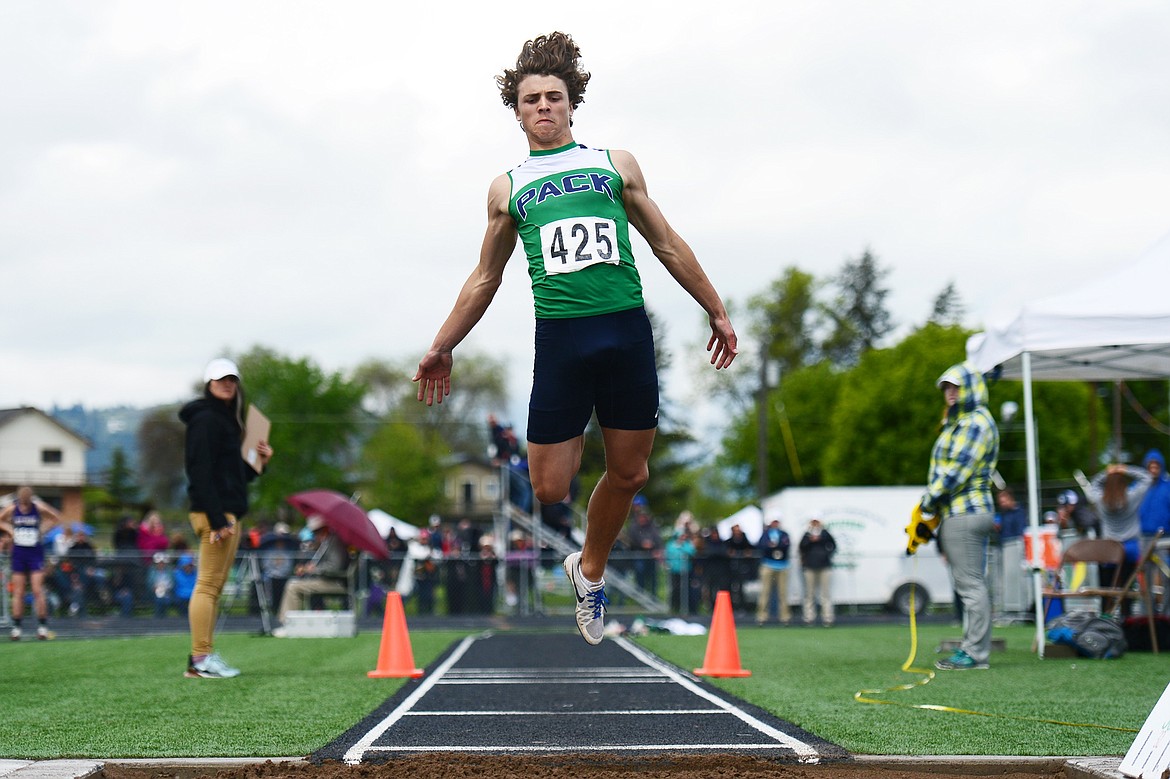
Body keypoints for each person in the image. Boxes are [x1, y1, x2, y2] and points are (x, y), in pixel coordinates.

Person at [411, 31, 737, 645]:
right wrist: (442, 343)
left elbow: (666, 243)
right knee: (549, 487)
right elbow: (486, 276)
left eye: (554, 97)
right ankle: (578, 488)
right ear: (516, 109)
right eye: (531, 98)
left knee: (632, 473)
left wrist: (715, 310)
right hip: (561, 340)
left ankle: (589, 570)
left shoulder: (615, 164)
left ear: (570, 102)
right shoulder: (508, 188)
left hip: (625, 331)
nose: (543, 107)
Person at [180, 357, 272, 678]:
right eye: (221, 380)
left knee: (213, 587)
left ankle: (202, 657)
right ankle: (200, 658)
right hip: (215, 514)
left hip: (225, 511)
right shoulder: (206, 420)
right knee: (207, 586)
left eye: (232, 380)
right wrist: (218, 519)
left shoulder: (226, 421)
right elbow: (199, 472)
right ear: (209, 384)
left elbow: (237, 476)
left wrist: (260, 461)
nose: (228, 384)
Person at [919, 361, 999, 671]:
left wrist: (929, 501)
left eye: (956, 386)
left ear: (972, 387)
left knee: (970, 585)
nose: (950, 393)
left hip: (966, 511)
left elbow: (957, 471)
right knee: (971, 584)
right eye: (946, 388)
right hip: (964, 511)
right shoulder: (965, 420)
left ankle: (976, 654)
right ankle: (972, 648)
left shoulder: (975, 422)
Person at [1086, 462, 1153, 617]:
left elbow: (1092, 486)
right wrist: (1125, 469)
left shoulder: (1100, 500)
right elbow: (1147, 479)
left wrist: (1107, 472)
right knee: (1127, 591)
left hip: (1109, 549)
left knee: (1106, 591)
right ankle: (1127, 619)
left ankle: (1105, 619)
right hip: (1130, 548)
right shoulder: (1131, 497)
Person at [271, 516, 351, 635]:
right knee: (294, 583)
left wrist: (314, 570)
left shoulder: (334, 542)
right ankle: (292, 623)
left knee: (293, 586)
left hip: (335, 583)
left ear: (324, 529)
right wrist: (308, 568)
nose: (314, 535)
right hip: (327, 581)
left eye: (316, 532)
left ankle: (287, 624)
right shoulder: (326, 543)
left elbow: (335, 567)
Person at [0, 486, 62, 640]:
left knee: (37, 590)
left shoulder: (37, 507)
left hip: (35, 552)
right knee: (18, 592)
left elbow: (55, 517)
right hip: (19, 553)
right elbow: (1, 520)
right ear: (19, 498)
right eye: (23, 500)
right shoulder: (13, 508)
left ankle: (42, 627)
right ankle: (17, 628)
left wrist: (42, 530)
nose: (25, 504)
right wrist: (11, 530)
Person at [799, 517, 837, 626]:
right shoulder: (806, 534)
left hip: (824, 566)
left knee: (825, 593)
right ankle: (809, 617)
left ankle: (827, 617)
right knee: (809, 593)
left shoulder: (825, 533)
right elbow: (802, 547)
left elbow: (833, 545)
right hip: (810, 567)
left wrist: (827, 554)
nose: (815, 523)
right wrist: (810, 541)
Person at [755, 517, 792, 626]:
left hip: (782, 565)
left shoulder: (784, 534)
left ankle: (785, 617)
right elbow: (760, 546)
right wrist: (770, 546)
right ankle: (761, 616)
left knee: (783, 593)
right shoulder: (766, 534)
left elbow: (786, 545)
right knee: (765, 592)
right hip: (768, 564)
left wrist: (775, 545)